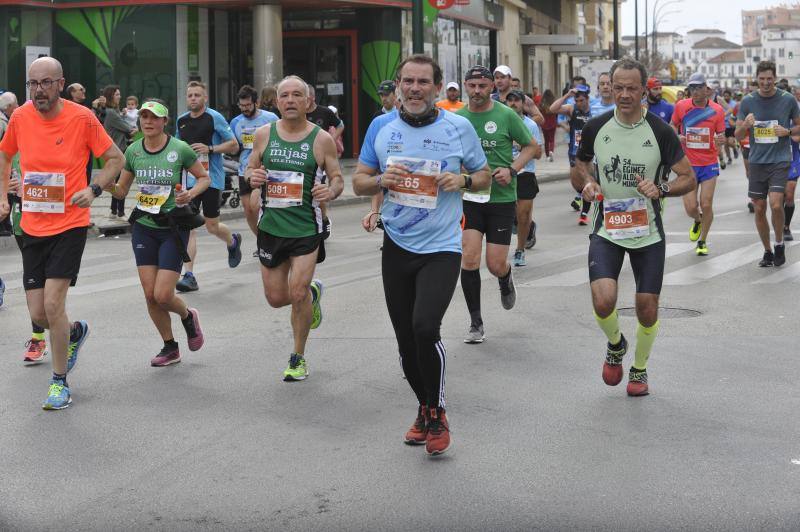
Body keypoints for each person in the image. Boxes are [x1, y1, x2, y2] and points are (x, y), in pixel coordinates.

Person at [352, 54, 491, 456]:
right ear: (398, 85)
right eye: (408, 81)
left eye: (423, 82)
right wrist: (380, 180)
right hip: (397, 246)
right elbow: (359, 181)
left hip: (442, 247)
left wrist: (462, 180)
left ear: (437, 87)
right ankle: (424, 406)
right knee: (405, 342)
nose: (414, 89)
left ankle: (438, 412)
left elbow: (483, 176)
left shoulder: (458, 127)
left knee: (425, 328)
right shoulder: (381, 127)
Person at [0, 57, 125, 410]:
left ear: (60, 83)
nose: (38, 90)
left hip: (70, 223)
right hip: (32, 225)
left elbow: (115, 158)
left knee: (54, 304)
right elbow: (4, 155)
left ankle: (59, 383)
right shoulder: (20, 117)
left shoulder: (82, 118)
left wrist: (94, 189)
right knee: (40, 315)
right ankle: (73, 332)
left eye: (45, 83)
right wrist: (4, 195)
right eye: (32, 83)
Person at [571, 57, 695, 397]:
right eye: (618, 88)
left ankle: (639, 368)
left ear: (643, 90)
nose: (624, 95)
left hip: (647, 231)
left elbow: (688, 177)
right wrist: (586, 184)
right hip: (608, 228)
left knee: (647, 307)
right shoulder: (596, 127)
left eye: (631, 88)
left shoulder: (660, 131)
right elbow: (579, 167)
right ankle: (616, 344)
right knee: (603, 301)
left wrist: (662, 188)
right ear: (610, 88)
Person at [244, 75, 344, 382]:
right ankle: (312, 294)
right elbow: (250, 168)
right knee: (276, 298)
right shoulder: (264, 134)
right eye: (284, 95)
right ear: (276, 101)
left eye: (297, 95)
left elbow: (337, 178)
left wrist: (331, 191)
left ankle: (298, 357)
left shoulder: (321, 139)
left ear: (308, 101)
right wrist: (252, 177)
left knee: (296, 293)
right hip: (271, 227)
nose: (290, 100)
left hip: (305, 228)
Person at [108, 99, 208, 366]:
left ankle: (187, 316)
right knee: (150, 295)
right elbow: (121, 190)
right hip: (144, 226)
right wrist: (105, 185)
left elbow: (204, 178)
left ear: (165, 121)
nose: (148, 122)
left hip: (173, 227)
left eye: (154, 117)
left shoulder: (180, 149)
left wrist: (190, 194)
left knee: (163, 295)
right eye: (144, 117)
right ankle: (170, 346)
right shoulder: (133, 151)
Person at [457, 65, 535, 344]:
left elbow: (531, 146)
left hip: (501, 198)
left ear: (492, 87)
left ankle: (505, 276)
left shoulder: (506, 115)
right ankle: (475, 323)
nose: (477, 91)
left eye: (483, 86)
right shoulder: (458, 119)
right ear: (465, 86)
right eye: (472, 85)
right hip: (469, 197)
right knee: (469, 258)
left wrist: (512, 170)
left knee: (495, 263)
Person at [175, 80, 242, 292]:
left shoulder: (214, 117)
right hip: (189, 181)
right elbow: (177, 147)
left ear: (205, 98)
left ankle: (232, 242)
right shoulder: (181, 120)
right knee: (188, 226)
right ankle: (189, 275)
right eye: (190, 95)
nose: (193, 98)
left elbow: (234, 145)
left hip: (212, 180)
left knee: (212, 226)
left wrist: (210, 148)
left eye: (197, 95)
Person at [735, 60, 800, 267]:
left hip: (780, 159)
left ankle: (779, 242)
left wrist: (787, 131)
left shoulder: (787, 99)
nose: (765, 83)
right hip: (757, 161)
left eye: (769, 79)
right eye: (762, 79)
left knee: (776, 204)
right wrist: (745, 126)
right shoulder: (748, 101)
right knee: (760, 207)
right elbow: (737, 135)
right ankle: (768, 251)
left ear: (775, 78)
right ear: (757, 78)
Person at [671, 73, 726, 256]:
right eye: (692, 88)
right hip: (688, 164)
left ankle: (702, 241)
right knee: (691, 207)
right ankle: (697, 220)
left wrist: (720, 140)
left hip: (709, 163)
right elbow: (672, 126)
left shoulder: (717, 110)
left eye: (698, 88)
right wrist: (678, 136)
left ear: (706, 89)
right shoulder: (681, 106)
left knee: (706, 204)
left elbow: (721, 135)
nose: (695, 91)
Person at [229, 84, 278, 238]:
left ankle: (269, 238)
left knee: (256, 205)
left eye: (248, 105)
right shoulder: (235, 122)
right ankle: (261, 240)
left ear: (256, 103)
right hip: (245, 169)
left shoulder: (271, 118)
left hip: (265, 169)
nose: (245, 109)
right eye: (241, 105)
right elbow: (234, 146)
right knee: (248, 210)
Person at [506, 89, 543, 265]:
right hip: (505, 173)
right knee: (510, 215)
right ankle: (523, 226)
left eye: (516, 100)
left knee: (523, 214)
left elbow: (539, 154)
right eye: (510, 100)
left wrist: (523, 146)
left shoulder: (530, 125)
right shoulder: (500, 123)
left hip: (525, 173)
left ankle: (520, 250)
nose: (513, 103)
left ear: (523, 104)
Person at [551, 84, 594, 223]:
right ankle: (584, 196)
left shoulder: (594, 111)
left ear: (587, 99)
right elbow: (552, 109)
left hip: (590, 152)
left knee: (587, 180)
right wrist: (567, 95)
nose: (579, 103)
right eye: (577, 100)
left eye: (582, 100)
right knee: (577, 184)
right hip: (574, 151)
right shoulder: (572, 109)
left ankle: (584, 214)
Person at [102, 84, 137, 220]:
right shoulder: (111, 113)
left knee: (117, 183)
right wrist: (133, 129)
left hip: (118, 150)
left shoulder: (114, 111)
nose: (120, 97)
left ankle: (113, 211)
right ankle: (120, 212)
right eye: (117, 94)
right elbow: (129, 129)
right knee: (122, 183)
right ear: (111, 96)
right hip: (118, 152)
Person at [720, 89, 739, 164]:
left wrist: (735, 122)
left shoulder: (734, 104)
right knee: (725, 143)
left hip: (731, 126)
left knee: (730, 142)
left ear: (730, 96)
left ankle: (734, 148)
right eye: (724, 96)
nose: (726, 97)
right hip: (723, 126)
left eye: (727, 96)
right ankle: (729, 158)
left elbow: (737, 114)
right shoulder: (721, 103)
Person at [539, 89, 558, 161]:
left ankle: (547, 156)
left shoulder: (541, 103)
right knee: (552, 139)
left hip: (544, 124)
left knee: (546, 141)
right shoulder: (554, 102)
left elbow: (539, 112)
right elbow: (557, 113)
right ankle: (551, 151)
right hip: (552, 123)